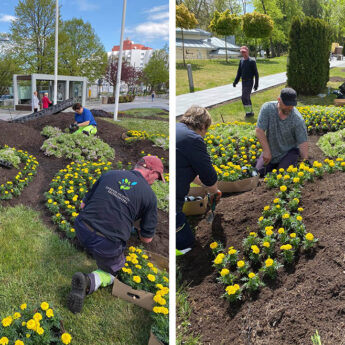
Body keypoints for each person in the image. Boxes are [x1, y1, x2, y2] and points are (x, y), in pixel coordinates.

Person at [67, 156, 165, 313]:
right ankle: (88, 281)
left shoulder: (110, 174)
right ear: (150, 172)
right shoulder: (149, 196)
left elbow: (83, 204)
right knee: (113, 270)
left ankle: (88, 246)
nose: (156, 181)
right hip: (106, 243)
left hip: (81, 228)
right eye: (158, 177)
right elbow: (147, 238)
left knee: (96, 231)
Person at [176, 106, 221, 253]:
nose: (205, 134)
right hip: (174, 199)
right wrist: (214, 192)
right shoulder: (193, 139)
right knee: (188, 245)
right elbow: (208, 175)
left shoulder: (177, 129)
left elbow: (186, 167)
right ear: (202, 126)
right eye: (206, 130)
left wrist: (206, 186)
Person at [255, 87, 309, 177]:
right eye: (287, 104)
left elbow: (303, 141)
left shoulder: (297, 119)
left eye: (292, 105)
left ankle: (287, 163)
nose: (290, 108)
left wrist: (305, 161)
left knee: (283, 174)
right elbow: (259, 130)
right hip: (272, 150)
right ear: (279, 100)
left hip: (289, 152)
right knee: (259, 172)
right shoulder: (267, 109)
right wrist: (266, 151)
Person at [233, 46, 259, 119]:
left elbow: (256, 74)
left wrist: (256, 84)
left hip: (249, 81)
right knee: (247, 97)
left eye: (244, 51)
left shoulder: (252, 61)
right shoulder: (241, 61)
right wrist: (235, 82)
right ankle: (250, 112)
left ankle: (248, 113)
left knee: (244, 97)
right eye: (242, 52)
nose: (243, 53)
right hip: (243, 82)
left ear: (248, 51)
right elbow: (239, 73)